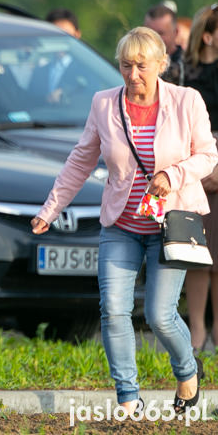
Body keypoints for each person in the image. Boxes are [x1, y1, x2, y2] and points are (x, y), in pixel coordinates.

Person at [30, 27, 217, 414]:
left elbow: (208, 155)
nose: (133, 75)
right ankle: (128, 398)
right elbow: (80, 161)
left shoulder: (187, 101)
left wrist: (173, 176)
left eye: (141, 66)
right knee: (113, 310)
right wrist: (50, 209)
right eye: (125, 66)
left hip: (171, 227)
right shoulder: (104, 104)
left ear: (161, 65)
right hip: (121, 226)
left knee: (159, 315)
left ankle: (187, 370)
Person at [181, 3, 218, 351]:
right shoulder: (183, 73)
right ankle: (197, 331)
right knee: (196, 254)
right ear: (208, 36)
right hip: (192, 168)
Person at [145, 3, 185, 85]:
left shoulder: (190, 65)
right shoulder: (132, 65)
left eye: (160, 33)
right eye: (149, 33)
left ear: (176, 32)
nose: (154, 38)